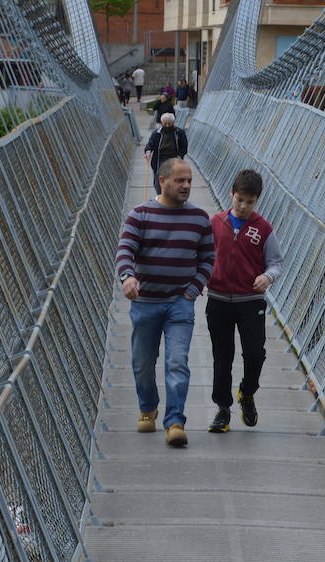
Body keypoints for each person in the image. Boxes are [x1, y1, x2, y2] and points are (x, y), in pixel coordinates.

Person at [115, 158, 214, 448]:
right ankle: (148, 408)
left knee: (176, 363)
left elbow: (208, 259)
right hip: (145, 303)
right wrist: (127, 277)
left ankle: (174, 422)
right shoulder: (140, 214)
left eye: (189, 181)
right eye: (180, 180)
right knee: (143, 363)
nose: (186, 186)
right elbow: (125, 250)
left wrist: (193, 290)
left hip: (179, 304)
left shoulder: (199, 219)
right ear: (163, 180)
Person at [205, 169, 283, 433]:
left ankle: (247, 393)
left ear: (257, 200)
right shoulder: (215, 223)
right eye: (239, 200)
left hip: (250, 301)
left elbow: (275, 262)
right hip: (218, 300)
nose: (243, 206)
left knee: (254, 354)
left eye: (250, 202)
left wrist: (267, 277)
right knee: (222, 356)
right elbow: (203, 256)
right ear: (231, 194)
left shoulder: (263, 228)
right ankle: (223, 409)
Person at [144, 113, 189, 194]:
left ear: (173, 123)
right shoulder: (156, 134)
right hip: (159, 161)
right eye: (165, 124)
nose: (167, 125)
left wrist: (180, 156)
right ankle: (160, 197)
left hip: (174, 160)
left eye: (169, 123)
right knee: (158, 182)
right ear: (161, 123)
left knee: (173, 179)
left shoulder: (179, 133)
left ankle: (171, 197)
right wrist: (148, 151)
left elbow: (184, 147)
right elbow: (150, 144)